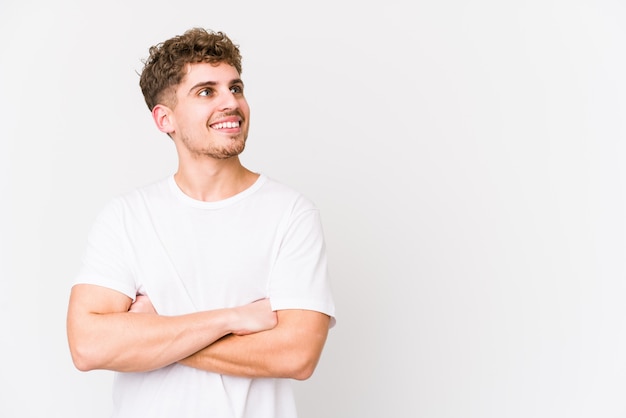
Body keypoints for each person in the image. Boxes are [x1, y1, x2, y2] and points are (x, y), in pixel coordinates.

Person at [66, 27, 336, 418]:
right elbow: (88, 346)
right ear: (165, 119)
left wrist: (156, 334)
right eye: (207, 91)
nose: (231, 102)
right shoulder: (126, 216)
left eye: (236, 87)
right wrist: (232, 319)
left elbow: (297, 355)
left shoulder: (291, 214)